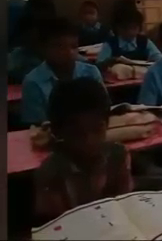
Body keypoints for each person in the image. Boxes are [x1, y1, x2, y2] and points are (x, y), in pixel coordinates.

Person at [33, 78, 132, 224]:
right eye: (76, 133)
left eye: (97, 129)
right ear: (58, 132)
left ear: (107, 124)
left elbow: (126, 207)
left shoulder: (118, 155)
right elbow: (55, 227)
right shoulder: (50, 172)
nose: (89, 140)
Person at [21, 18, 103, 127]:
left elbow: (104, 111)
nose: (69, 52)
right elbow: (35, 126)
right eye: (60, 47)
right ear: (43, 48)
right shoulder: (33, 82)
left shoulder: (91, 72)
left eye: (74, 46)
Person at [96, 5, 162, 68]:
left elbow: (159, 58)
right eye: (125, 28)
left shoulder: (144, 41)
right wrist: (110, 61)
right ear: (117, 28)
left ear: (140, 28)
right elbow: (99, 64)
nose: (130, 32)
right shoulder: (110, 43)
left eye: (134, 28)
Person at [8, 16, 45, 84]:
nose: (31, 40)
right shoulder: (16, 55)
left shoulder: (49, 56)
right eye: (28, 36)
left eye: (34, 37)